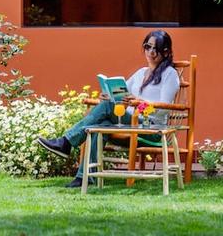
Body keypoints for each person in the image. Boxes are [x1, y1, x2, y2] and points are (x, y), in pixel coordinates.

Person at [37, 30, 180, 188]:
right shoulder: (140, 73)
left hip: (152, 129)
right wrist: (109, 95)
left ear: (166, 52)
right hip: (131, 124)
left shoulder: (170, 75)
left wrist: (138, 103)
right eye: (148, 47)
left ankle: (66, 142)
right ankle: (84, 177)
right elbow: (121, 92)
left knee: (106, 110)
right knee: (100, 125)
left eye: (156, 48)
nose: (151, 52)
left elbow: (164, 110)